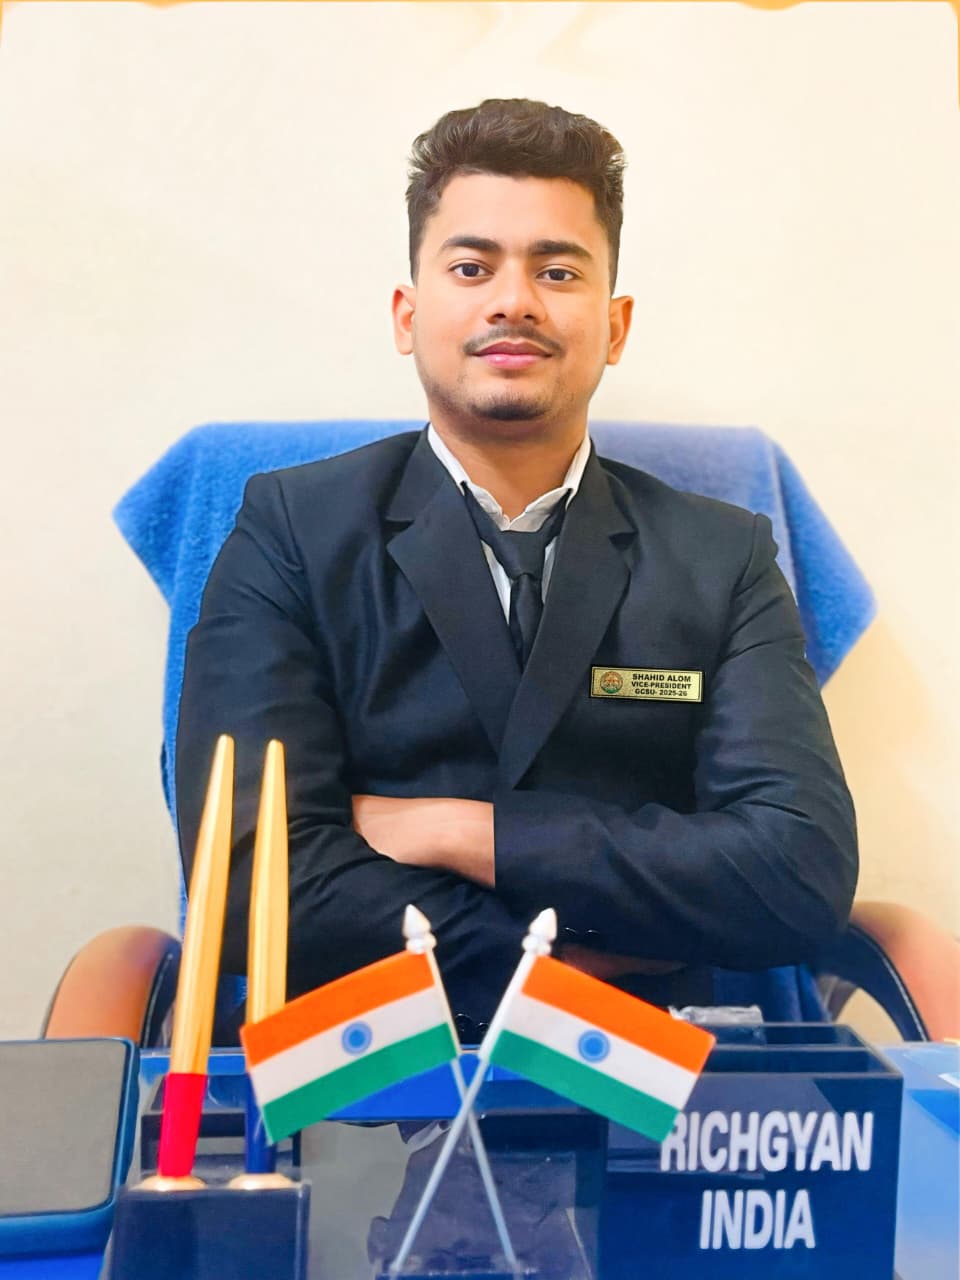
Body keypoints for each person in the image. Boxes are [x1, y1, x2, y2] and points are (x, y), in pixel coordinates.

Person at [176, 98, 857, 1034]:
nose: (514, 301)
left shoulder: (722, 555)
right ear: (408, 315)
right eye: (472, 267)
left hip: (652, 1086)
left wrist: (465, 831)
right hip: (358, 1070)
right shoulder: (292, 527)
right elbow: (251, 876)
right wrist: (560, 973)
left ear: (615, 326)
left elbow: (795, 874)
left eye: (557, 270)